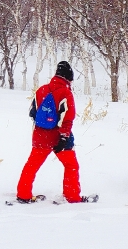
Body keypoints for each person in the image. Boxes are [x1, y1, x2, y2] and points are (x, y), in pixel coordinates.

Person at [15, 60, 94, 204]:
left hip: (40, 136)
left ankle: (23, 194)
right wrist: (64, 137)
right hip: (58, 138)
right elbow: (68, 118)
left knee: (31, 166)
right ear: (69, 78)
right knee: (71, 166)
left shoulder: (41, 90)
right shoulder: (66, 93)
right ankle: (72, 197)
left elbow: (33, 113)